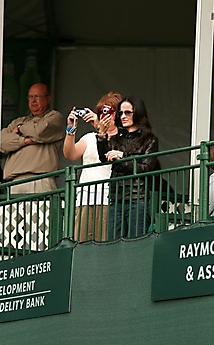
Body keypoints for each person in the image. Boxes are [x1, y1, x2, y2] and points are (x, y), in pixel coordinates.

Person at [63, 91, 123, 241]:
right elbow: (70, 154)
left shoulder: (124, 138)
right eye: (101, 112)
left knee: (104, 243)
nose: (105, 116)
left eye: (109, 111)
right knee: (81, 242)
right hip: (84, 198)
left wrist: (99, 126)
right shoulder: (90, 138)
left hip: (108, 198)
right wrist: (71, 129)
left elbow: (111, 151)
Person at [97, 95, 159, 239]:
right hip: (115, 198)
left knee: (136, 243)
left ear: (137, 113)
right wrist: (101, 135)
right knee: (113, 244)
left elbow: (146, 168)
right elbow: (104, 158)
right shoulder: (117, 137)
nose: (123, 116)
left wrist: (122, 157)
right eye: (120, 113)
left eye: (127, 112)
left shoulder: (150, 139)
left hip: (138, 198)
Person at [0, 83, 65, 194]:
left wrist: (20, 129)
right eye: (30, 97)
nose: (33, 100)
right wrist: (24, 141)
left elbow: (39, 131)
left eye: (37, 96)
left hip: (40, 179)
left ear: (48, 98)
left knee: (40, 212)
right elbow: (1, 143)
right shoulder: (18, 121)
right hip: (15, 181)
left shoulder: (54, 117)